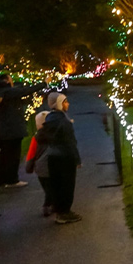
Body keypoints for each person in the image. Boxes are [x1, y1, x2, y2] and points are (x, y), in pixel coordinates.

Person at [0, 63, 47, 187]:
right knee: (13, 155)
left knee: (5, 154)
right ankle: (12, 179)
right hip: (12, 128)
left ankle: (3, 179)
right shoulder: (6, 92)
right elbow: (25, 91)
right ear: (6, 81)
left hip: (2, 127)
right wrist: (44, 83)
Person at [40, 92, 82, 224]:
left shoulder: (49, 118)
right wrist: (77, 159)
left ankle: (59, 211)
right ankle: (65, 212)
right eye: (65, 101)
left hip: (53, 155)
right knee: (67, 185)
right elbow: (70, 142)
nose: (68, 104)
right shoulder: (64, 121)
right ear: (59, 104)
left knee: (56, 185)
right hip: (65, 156)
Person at [25, 99, 55, 216]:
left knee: (47, 187)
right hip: (53, 165)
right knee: (53, 187)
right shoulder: (54, 133)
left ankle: (48, 204)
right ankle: (50, 204)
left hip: (41, 168)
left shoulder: (36, 138)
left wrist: (29, 167)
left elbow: (32, 154)